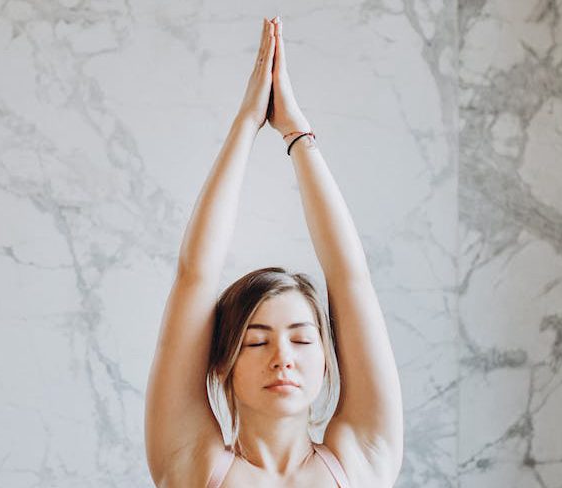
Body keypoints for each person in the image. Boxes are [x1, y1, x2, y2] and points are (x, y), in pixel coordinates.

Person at [144, 16, 404, 487]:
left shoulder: (362, 461)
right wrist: (246, 123)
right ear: (221, 361)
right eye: (256, 341)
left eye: (302, 340)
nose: (282, 357)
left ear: (327, 358)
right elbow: (194, 276)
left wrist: (297, 134)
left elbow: (350, 278)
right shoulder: (193, 465)